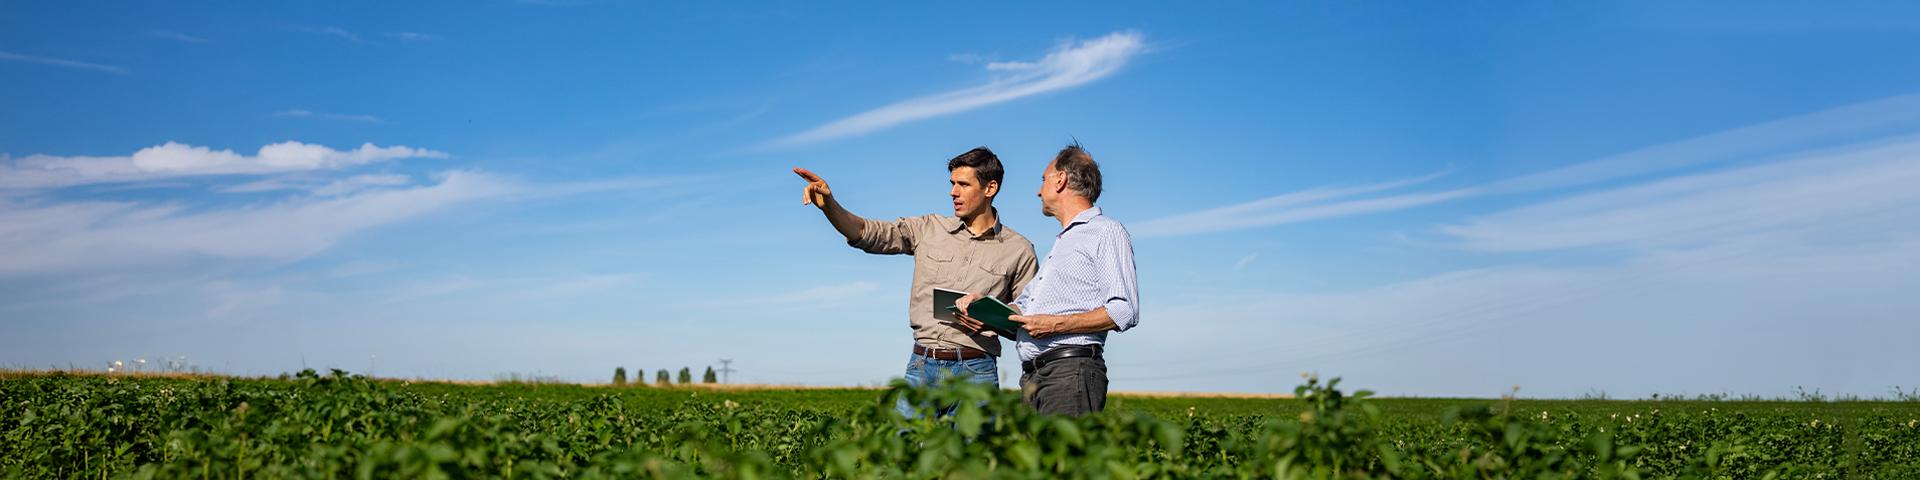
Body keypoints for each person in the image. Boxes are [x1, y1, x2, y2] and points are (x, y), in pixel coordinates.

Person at [793, 147, 1038, 418]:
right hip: (922, 366)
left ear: (990, 188)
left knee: (973, 458)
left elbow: (1029, 320)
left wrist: (992, 320)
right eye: (952, 184)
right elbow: (867, 233)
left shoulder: (1020, 249)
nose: (953, 192)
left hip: (977, 371)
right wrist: (830, 206)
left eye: (963, 184)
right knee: (904, 452)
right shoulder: (928, 228)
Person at [954, 142, 1138, 416]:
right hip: (1035, 377)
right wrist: (987, 309)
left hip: (1069, 373)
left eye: (1043, 179)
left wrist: (1056, 325)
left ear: (1061, 180)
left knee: (1063, 460)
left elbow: (1125, 309)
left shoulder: (1105, 232)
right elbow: (1024, 310)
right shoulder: (1062, 243)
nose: (1038, 190)